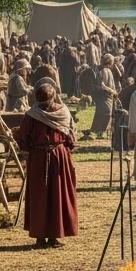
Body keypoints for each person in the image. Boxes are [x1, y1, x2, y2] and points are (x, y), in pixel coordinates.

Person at [17, 82, 78, 249]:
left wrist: (34, 148)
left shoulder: (33, 115)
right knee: (48, 195)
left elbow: (23, 139)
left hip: (41, 157)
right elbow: (71, 137)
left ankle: (46, 237)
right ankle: (47, 237)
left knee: (45, 195)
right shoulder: (60, 112)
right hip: (57, 155)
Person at [90, 54, 118, 138]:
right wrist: (113, 91)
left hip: (108, 97)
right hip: (104, 97)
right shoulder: (104, 71)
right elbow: (102, 86)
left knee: (106, 114)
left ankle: (100, 132)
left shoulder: (108, 71)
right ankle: (98, 131)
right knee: (105, 113)